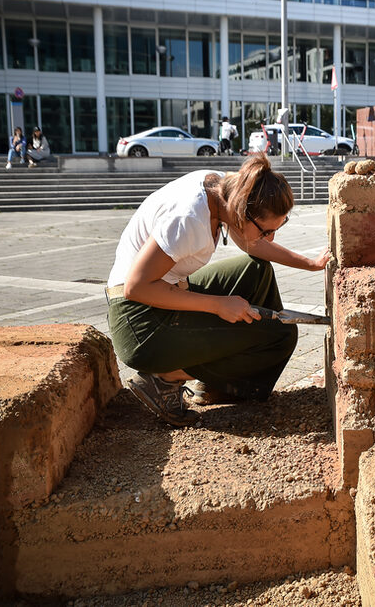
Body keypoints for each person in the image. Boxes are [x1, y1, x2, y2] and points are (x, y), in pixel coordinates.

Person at [106, 153, 329, 427]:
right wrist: (218, 305)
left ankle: (221, 383)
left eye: (277, 228)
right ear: (242, 212)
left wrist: (312, 264)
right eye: (266, 231)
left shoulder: (224, 188)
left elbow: (253, 244)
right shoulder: (188, 218)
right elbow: (136, 287)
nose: (270, 237)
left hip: (162, 294)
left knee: (256, 271)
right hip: (140, 326)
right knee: (280, 337)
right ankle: (164, 378)